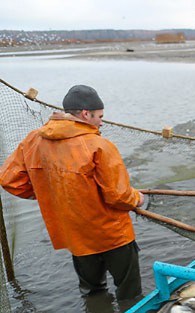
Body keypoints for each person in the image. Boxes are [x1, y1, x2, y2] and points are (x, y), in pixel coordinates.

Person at [0, 84, 144, 301]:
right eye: (99, 116)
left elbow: (9, 179)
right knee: (130, 294)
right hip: (113, 236)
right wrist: (138, 198)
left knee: (92, 293)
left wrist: (49, 191)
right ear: (86, 114)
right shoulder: (99, 145)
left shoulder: (33, 140)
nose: (102, 122)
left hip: (75, 236)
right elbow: (119, 196)